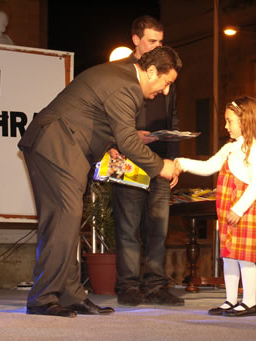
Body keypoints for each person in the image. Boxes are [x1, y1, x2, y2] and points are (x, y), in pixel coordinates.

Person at [18, 46, 182, 318]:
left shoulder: (121, 77)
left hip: (64, 145)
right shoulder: (127, 86)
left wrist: (114, 141)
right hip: (56, 143)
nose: (165, 91)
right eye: (166, 83)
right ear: (152, 71)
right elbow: (128, 140)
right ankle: (42, 297)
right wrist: (159, 166)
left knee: (68, 218)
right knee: (64, 216)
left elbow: (96, 118)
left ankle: (70, 294)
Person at [174, 96, 256, 317]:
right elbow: (209, 166)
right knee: (229, 255)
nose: (226, 126)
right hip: (227, 208)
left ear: (245, 120)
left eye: (229, 121)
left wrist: (238, 209)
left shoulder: (254, 148)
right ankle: (230, 300)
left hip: (243, 209)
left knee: (245, 257)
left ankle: (249, 302)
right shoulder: (230, 148)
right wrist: (182, 163)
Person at [109, 15, 184, 307]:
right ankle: (128, 286)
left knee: (159, 226)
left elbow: (173, 116)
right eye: (152, 41)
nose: (157, 46)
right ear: (136, 40)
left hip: (160, 160)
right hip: (127, 157)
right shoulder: (117, 72)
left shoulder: (168, 73)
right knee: (128, 225)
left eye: (160, 42)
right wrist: (118, 141)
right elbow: (107, 117)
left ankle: (155, 285)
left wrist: (174, 160)